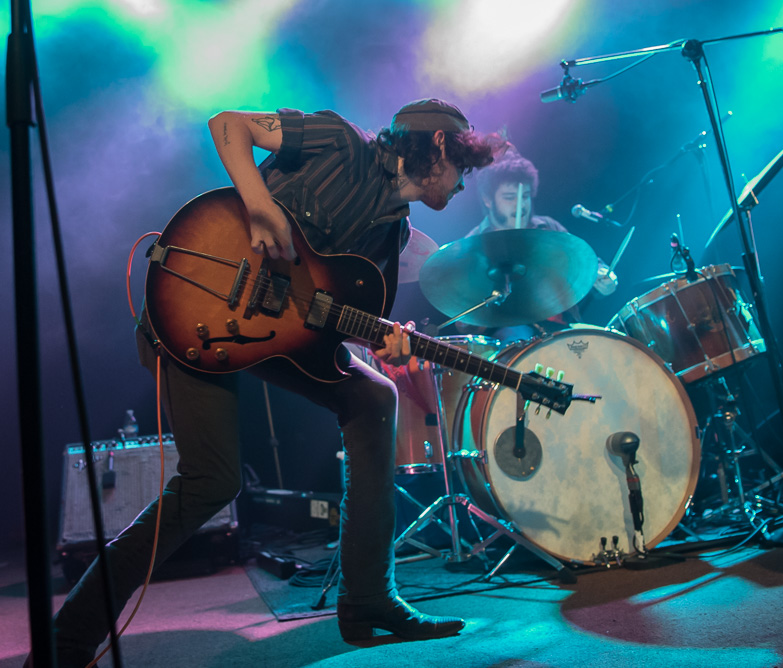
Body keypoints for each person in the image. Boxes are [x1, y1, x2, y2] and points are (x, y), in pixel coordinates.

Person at [38, 99, 500, 667]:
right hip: (197, 302)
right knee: (211, 483)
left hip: (272, 333)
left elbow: (326, 322)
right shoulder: (338, 140)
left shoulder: (393, 239)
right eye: (462, 168)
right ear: (435, 148)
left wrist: (383, 339)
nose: (462, 187)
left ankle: (369, 600)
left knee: (373, 394)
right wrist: (260, 207)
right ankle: (68, 639)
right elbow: (227, 125)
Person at [457, 147, 617, 342]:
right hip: (511, 339)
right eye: (509, 198)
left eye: (524, 196)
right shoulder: (474, 247)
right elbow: (463, 320)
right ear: (488, 200)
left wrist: (604, 278)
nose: (520, 205)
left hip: (562, 331)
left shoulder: (547, 227)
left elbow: (587, 263)